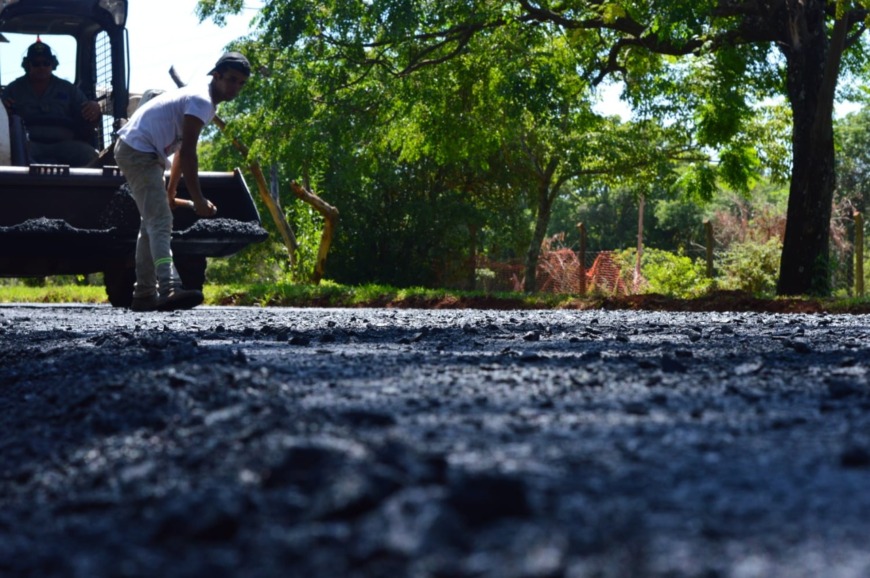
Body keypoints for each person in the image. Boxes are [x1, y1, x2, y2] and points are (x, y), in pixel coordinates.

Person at [113, 51, 251, 312]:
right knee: (161, 221)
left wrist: (172, 189)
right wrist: (198, 199)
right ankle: (169, 287)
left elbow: (178, 151)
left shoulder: (203, 100)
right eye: (231, 80)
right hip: (138, 150)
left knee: (151, 222)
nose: (236, 88)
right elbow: (188, 152)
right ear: (216, 75)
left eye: (241, 83)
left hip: (144, 151)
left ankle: (143, 293)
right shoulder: (201, 101)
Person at [1, 40, 101, 166]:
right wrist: (4, 112)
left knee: (90, 155)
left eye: (46, 63)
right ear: (27, 65)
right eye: (36, 63)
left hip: (65, 145)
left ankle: (85, 186)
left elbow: (89, 116)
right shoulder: (13, 89)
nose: (41, 67)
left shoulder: (69, 89)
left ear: (53, 64)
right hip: (28, 145)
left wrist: (94, 109)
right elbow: (3, 120)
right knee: (12, 155)